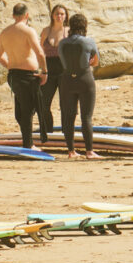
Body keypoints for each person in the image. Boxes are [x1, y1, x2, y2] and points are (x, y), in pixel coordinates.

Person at [0, 3, 49, 149]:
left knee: (22, 108)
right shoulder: (28, 31)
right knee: (27, 110)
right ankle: (28, 144)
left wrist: (10, 65)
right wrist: (44, 71)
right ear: (27, 15)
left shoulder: (5, 32)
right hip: (27, 75)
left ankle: (28, 141)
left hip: (13, 75)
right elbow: (40, 53)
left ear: (13, 15)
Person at [58, 13, 100, 159]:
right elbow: (95, 61)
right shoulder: (89, 42)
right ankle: (89, 151)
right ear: (84, 26)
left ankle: (71, 151)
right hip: (85, 79)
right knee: (86, 117)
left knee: (69, 116)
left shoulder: (62, 43)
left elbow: (62, 60)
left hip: (67, 79)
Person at [39, 4, 69, 133]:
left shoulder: (69, 31)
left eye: (62, 14)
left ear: (66, 16)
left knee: (65, 105)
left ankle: (66, 132)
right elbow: (39, 50)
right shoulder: (46, 31)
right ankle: (48, 131)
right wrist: (39, 68)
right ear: (52, 15)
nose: (59, 16)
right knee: (44, 103)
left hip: (64, 70)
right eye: (57, 13)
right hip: (48, 69)